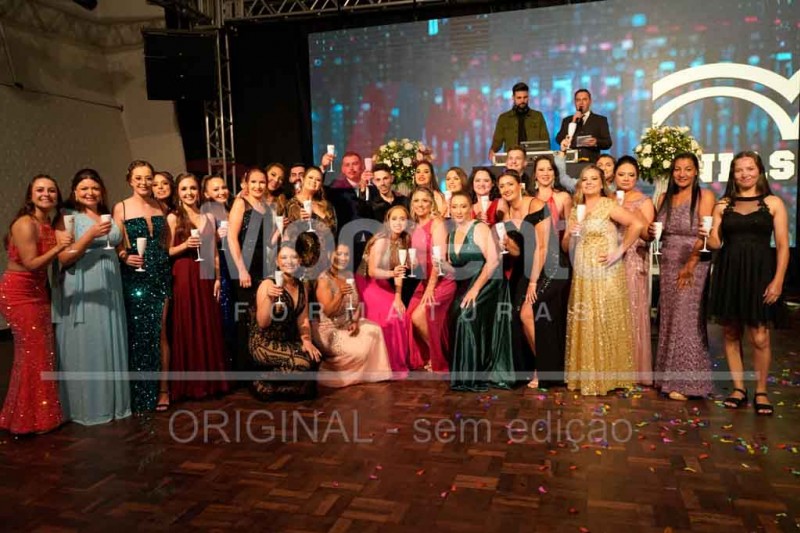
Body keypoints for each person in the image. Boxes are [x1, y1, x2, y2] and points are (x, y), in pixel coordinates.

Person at [706, 151, 789, 416]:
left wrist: (778, 280)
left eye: (750, 168)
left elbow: (783, 245)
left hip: (760, 274)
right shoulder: (722, 205)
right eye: (739, 169)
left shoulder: (773, 203)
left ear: (759, 171)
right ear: (733, 174)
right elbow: (715, 243)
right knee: (731, 333)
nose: (745, 174)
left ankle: (761, 390)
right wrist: (708, 235)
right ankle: (739, 388)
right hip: (729, 273)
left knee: (760, 336)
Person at [53, 169, 130, 426]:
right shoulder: (67, 217)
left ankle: (114, 404)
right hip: (85, 286)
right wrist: (90, 235)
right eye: (84, 188)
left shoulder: (106, 214)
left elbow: (118, 244)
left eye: (95, 188)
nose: (90, 192)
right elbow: (64, 258)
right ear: (75, 192)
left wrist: (124, 254)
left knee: (109, 341)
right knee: (89, 344)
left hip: (111, 286)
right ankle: (88, 407)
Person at [562, 165, 643, 396]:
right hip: (582, 272)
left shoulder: (608, 205)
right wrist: (571, 233)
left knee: (605, 318)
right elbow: (566, 246)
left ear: (601, 183)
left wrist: (619, 251)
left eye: (593, 179)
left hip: (605, 270)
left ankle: (609, 377)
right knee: (586, 319)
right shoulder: (576, 209)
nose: (589, 182)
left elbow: (637, 225)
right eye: (585, 179)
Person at [0, 175, 71, 434]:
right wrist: (60, 247)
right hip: (18, 293)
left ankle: (26, 417)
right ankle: (32, 421)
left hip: (39, 292)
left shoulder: (48, 223)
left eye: (51, 190)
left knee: (38, 354)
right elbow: (31, 263)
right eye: (40, 190)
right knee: (34, 354)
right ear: (30, 195)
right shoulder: (25, 223)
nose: (46, 194)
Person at [650, 153, 715, 400]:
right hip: (668, 261)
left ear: (696, 171)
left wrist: (691, 262)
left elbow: (704, 234)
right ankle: (666, 379)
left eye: (688, 169)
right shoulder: (664, 198)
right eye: (677, 169)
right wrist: (650, 231)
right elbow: (658, 232)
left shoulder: (704, 196)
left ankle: (688, 383)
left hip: (692, 262)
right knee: (669, 318)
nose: (682, 174)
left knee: (686, 319)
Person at [113, 160, 172, 412]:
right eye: (138, 178)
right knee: (138, 333)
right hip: (135, 275)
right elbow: (116, 241)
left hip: (160, 274)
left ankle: (163, 390)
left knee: (161, 331)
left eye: (148, 178)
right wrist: (124, 256)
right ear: (130, 180)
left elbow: (166, 242)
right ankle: (139, 392)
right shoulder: (122, 207)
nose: (144, 182)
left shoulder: (161, 206)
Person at [167, 173, 229, 401]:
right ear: (178, 192)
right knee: (188, 323)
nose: (189, 193)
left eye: (192, 188)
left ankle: (211, 383)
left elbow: (214, 252)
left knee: (206, 323)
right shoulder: (173, 217)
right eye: (184, 189)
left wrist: (218, 278)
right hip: (184, 272)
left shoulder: (208, 216)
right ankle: (191, 385)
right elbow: (166, 251)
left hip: (206, 274)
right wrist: (185, 245)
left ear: (199, 192)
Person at [448, 192, 514, 391]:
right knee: (453, 316)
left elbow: (493, 261)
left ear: (471, 209)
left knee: (466, 317)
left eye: (463, 206)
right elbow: (455, 269)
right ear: (450, 209)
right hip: (466, 283)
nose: (459, 210)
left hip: (489, 281)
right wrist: (441, 265)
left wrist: (475, 290)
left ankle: (475, 374)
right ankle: (464, 373)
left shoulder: (479, 228)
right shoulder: (452, 233)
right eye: (455, 206)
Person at [313, 244, 393, 387]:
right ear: (330, 255)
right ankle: (327, 370)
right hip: (329, 329)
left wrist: (355, 321)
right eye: (339, 254)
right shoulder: (324, 279)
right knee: (359, 351)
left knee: (375, 330)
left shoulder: (349, 275)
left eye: (346, 255)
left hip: (347, 324)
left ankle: (371, 375)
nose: (343, 258)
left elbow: (356, 304)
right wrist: (340, 294)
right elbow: (328, 312)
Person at [496, 170, 549, 386]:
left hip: (549, 265)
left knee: (527, 312)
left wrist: (533, 283)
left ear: (520, 185)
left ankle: (543, 368)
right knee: (513, 312)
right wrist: (508, 245)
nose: (506, 189)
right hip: (525, 267)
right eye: (502, 186)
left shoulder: (536, 205)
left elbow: (542, 247)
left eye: (510, 184)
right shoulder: (505, 215)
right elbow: (518, 252)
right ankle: (528, 366)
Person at [249, 244, 321, 400]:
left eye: (294, 257)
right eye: (284, 257)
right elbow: (262, 323)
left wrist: (307, 341)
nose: (289, 261)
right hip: (263, 342)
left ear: (299, 261)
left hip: (285, 341)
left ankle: (273, 386)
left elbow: (303, 320)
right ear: (277, 261)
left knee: (313, 360)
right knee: (302, 364)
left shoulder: (301, 286)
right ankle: (261, 381)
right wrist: (270, 299)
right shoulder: (268, 284)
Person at [530, 155, 573, 387]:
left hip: (558, 261)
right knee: (540, 313)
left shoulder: (564, 198)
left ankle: (549, 370)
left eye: (549, 169)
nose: (545, 173)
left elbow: (568, 233)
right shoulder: (530, 201)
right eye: (541, 169)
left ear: (555, 173)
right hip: (535, 261)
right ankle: (546, 368)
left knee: (549, 312)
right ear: (534, 174)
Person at [613, 156, 655, 385]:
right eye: (622, 174)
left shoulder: (643, 201)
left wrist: (635, 216)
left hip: (633, 258)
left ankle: (633, 369)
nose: (626, 179)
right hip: (611, 260)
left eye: (631, 175)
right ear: (614, 176)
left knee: (632, 310)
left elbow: (648, 235)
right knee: (613, 313)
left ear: (637, 177)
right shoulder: (609, 198)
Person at [357, 206, 413, 376]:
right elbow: (372, 271)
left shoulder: (403, 241)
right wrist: (392, 273)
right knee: (390, 316)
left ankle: (397, 361)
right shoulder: (382, 240)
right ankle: (385, 364)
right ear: (387, 221)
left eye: (402, 219)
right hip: (366, 283)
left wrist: (398, 297)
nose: (398, 222)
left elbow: (399, 272)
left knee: (401, 312)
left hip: (383, 282)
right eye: (394, 218)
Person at [227, 166, 271, 374]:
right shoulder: (240, 203)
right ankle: (245, 370)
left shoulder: (266, 206)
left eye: (262, 182)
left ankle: (260, 363)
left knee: (261, 316)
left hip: (264, 265)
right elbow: (232, 238)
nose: (258, 186)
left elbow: (267, 241)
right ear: (246, 183)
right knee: (246, 316)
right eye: (254, 182)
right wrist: (241, 269)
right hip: (245, 265)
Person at [407, 187, 456, 372]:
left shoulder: (437, 224)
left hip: (443, 280)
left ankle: (442, 357)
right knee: (409, 316)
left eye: (425, 201)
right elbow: (418, 260)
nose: (420, 204)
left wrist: (430, 288)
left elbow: (439, 260)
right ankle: (433, 354)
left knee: (419, 316)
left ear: (431, 204)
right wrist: (411, 265)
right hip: (426, 280)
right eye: (416, 200)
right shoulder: (414, 227)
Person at [201, 175, 236, 370]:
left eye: (223, 187)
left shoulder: (232, 210)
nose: (222, 191)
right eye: (216, 189)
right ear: (206, 194)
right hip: (220, 267)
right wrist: (215, 236)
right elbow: (205, 246)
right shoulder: (206, 214)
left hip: (236, 266)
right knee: (224, 314)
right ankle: (226, 366)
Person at [285, 166, 337, 280]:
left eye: (318, 180)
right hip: (302, 262)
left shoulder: (326, 205)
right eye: (310, 177)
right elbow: (290, 235)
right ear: (303, 179)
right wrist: (300, 222)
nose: (314, 181)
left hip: (323, 262)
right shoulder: (292, 204)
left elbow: (333, 231)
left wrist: (318, 214)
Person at [489, 82, 550, 161]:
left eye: (525, 97)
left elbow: (545, 141)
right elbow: (497, 141)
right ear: (513, 98)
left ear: (528, 97)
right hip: (512, 160)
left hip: (533, 160)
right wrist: (493, 150)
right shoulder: (504, 118)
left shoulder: (538, 116)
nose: (522, 100)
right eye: (519, 98)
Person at [555, 89, 612, 162]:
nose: (581, 103)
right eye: (578, 100)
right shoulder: (567, 120)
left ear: (590, 101)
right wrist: (573, 121)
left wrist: (596, 142)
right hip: (571, 161)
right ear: (575, 102)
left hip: (591, 162)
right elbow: (559, 138)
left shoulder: (600, 120)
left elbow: (608, 142)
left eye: (584, 99)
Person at [321, 150, 363, 234]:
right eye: (347, 165)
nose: (351, 168)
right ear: (342, 169)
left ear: (362, 166)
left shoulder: (371, 186)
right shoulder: (336, 187)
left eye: (355, 164)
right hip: (346, 235)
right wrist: (323, 167)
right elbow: (319, 190)